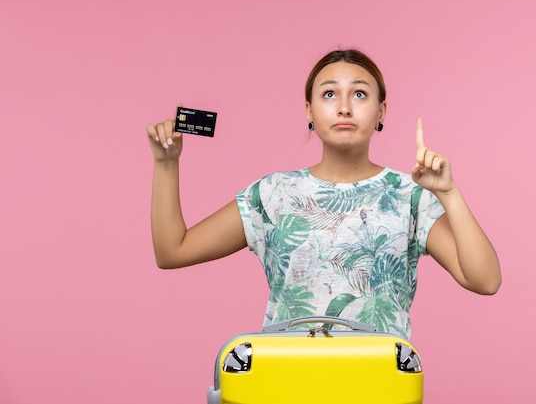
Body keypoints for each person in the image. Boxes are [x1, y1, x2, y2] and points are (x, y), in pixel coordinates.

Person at [146, 49, 501, 340]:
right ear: (309, 111)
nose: (344, 107)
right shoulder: (274, 194)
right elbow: (172, 250)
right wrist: (166, 164)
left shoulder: (409, 196)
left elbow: (485, 280)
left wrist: (449, 194)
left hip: (379, 386)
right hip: (286, 382)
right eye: (329, 94)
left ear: (381, 111)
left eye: (359, 93)